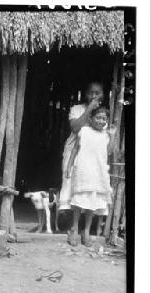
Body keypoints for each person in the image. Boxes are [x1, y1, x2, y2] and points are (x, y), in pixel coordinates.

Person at [58, 82, 107, 235]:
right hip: (75, 151)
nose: (94, 96)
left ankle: (84, 228)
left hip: (92, 157)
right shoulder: (76, 109)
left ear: (103, 95)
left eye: (97, 93)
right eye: (91, 92)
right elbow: (75, 127)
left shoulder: (102, 114)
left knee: (87, 187)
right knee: (69, 183)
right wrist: (89, 110)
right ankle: (67, 226)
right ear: (85, 94)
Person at [65, 107, 114, 246]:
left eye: (104, 119)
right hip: (83, 171)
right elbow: (75, 149)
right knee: (78, 202)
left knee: (91, 204)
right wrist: (69, 167)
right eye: (98, 117)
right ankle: (74, 229)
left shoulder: (105, 135)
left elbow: (108, 152)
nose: (101, 121)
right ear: (91, 119)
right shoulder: (84, 131)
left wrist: (113, 135)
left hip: (98, 173)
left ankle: (86, 231)